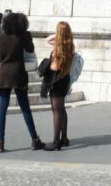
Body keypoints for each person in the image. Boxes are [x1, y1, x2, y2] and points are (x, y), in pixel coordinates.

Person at [0, 11, 44, 153]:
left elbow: (1, 54)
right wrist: (28, 36)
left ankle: (0, 142)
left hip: (4, 72)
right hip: (18, 72)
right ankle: (35, 139)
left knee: (2, 108)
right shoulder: (22, 36)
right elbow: (30, 49)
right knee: (25, 107)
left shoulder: (1, 36)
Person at [41, 20, 75, 150]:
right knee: (61, 109)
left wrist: (49, 63)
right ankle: (64, 137)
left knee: (56, 110)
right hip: (64, 80)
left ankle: (56, 141)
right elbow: (47, 40)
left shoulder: (59, 49)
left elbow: (55, 67)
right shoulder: (69, 45)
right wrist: (61, 35)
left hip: (56, 80)